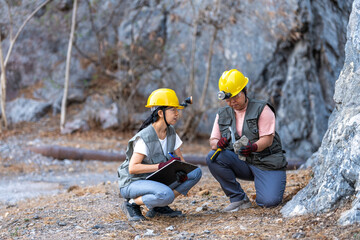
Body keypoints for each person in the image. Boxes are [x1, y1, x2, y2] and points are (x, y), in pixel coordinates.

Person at [206, 69, 287, 212]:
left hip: (266, 163)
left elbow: (267, 140)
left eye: (235, 97)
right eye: (228, 99)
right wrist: (217, 144)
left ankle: (266, 183)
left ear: (245, 91)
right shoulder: (223, 114)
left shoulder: (263, 109)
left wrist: (253, 147)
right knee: (213, 157)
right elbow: (213, 140)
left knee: (269, 202)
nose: (232, 102)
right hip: (243, 163)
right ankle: (238, 199)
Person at [117, 88, 202, 221]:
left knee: (196, 172)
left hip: (154, 180)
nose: (177, 114)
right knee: (166, 195)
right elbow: (133, 168)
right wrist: (161, 166)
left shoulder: (171, 132)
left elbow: (181, 160)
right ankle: (132, 204)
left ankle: (158, 206)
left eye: (177, 110)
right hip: (133, 183)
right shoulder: (145, 137)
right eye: (173, 110)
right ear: (161, 113)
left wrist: (182, 172)